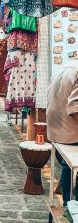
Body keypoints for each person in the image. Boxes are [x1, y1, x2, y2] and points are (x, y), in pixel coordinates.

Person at [47, 63, 78, 205]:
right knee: (71, 163)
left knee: (68, 164)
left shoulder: (68, 66)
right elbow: (74, 108)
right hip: (69, 129)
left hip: (56, 126)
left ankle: (68, 199)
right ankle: (70, 203)